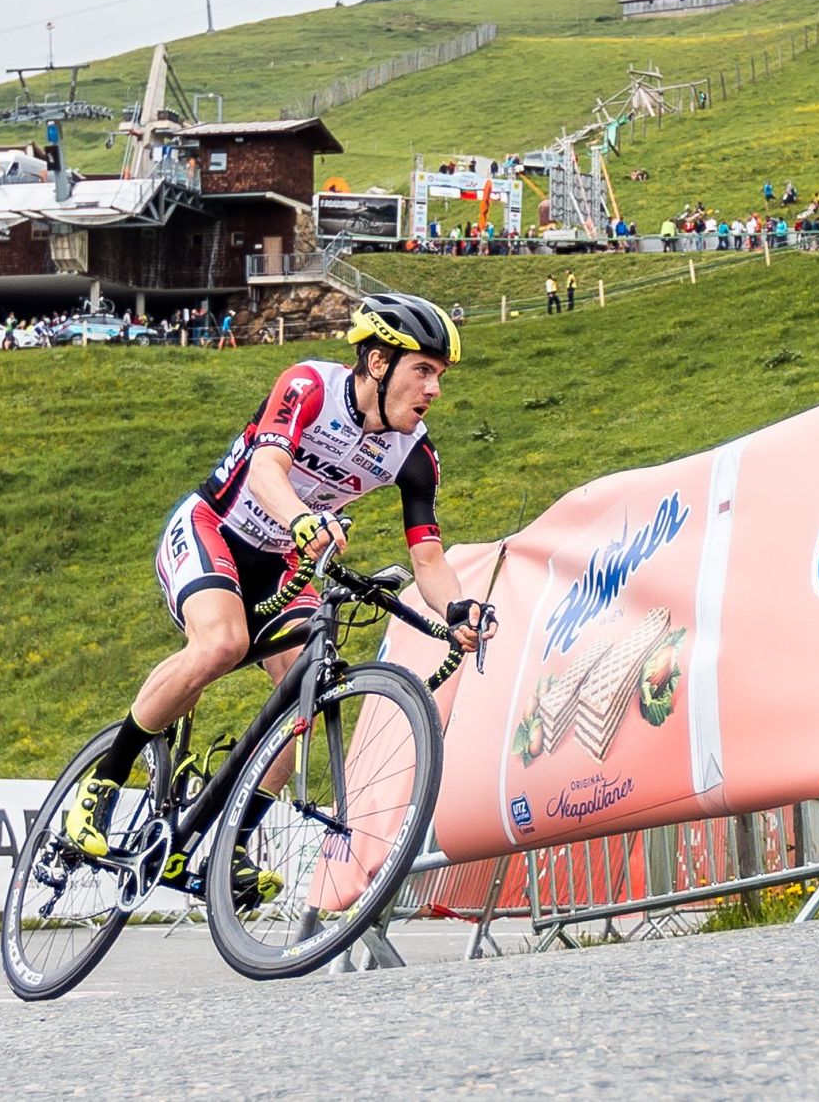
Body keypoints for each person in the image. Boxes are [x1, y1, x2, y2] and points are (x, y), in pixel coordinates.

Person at [64, 294, 495, 909]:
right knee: (221, 643)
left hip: (283, 561)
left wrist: (457, 610)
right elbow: (266, 469)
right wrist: (301, 519)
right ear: (378, 362)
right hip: (215, 526)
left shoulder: (415, 455)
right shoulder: (309, 387)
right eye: (423, 370)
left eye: (440, 376)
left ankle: (229, 845)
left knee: (304, 694)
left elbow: (428, 557)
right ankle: (102, 785)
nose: (434, 389)